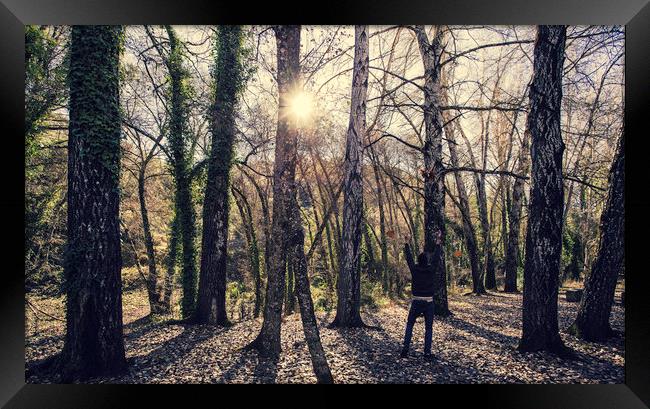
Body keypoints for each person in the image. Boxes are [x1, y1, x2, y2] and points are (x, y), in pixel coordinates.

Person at [400, 231, 442, 360]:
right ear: (427, 261)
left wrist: (407, 243)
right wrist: (438, 243)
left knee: (410, 324)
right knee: (428, 328)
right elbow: (436, 258)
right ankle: (427, 353)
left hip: (416, 301)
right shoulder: (431, 269)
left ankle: (405, 350)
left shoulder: (415, 269)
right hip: (428, 302)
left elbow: (409, 259)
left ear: (418, 261)